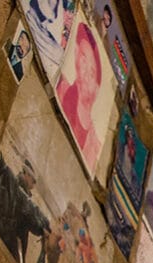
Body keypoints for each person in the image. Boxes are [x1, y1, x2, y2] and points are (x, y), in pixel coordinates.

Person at [56, 23, 104, 171]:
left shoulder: (94, 145)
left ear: (97, 87)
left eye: (92, 71)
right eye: (83, 59)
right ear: (76, 56)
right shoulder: (60, 88)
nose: (85, 73)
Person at [0, 155, 51, 263]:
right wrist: (44, 227)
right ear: (26, 174)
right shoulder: (18, 190)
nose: (34, 185)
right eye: (33, 180)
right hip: (8, 241)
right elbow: (31, 212)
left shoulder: (14, 185)